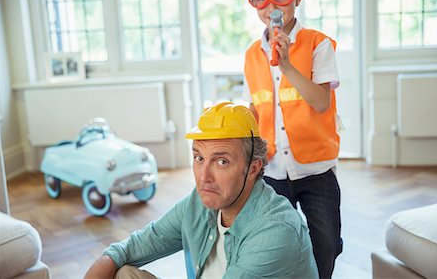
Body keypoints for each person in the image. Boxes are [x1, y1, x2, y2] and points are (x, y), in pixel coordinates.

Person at [84, 102, 318, 279]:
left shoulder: (276, 230)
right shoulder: (199, 204)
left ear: (253, 168)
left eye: (221, 162)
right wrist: (107, 262)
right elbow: (133, 247)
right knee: (123, 273)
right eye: (199, 158)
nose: (204, 177)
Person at [243, 0, 343, 278]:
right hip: (273, 169)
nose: (271, 7)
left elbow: (321, 101)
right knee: (279, 243)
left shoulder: (317, 43)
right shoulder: (251, 55)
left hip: (316, 169)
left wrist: (286, 66)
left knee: (325, 242)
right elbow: (255, 109)